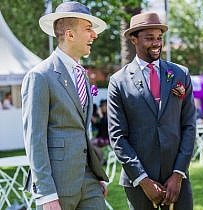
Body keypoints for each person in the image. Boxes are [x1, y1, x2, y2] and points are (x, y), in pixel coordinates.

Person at [21, 2, 109, 209]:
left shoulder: (82, 76)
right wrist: (46, 193)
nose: (94, 35)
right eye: (88, 29)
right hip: (57, 186)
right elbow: (35, 139)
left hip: (89, 181)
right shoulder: (40, 76)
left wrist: (95, 173)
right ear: (69, 35)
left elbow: (80, 130)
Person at [107, 12, 196, 210]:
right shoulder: (118, 82)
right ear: (133, 39)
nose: (156, 43)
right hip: (139, 183)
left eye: (159, 38)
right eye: (149, 38)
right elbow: (117, 137)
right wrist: (143, 180)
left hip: (178, 181)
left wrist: (178, 173)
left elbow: (189, 126)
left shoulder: (181, 74)